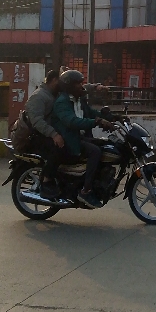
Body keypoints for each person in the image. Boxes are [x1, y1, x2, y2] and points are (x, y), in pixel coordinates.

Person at [51, 70, 112, 209]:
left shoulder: (79, 100)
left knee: (106, 146)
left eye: (81, 83)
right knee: (95, 151)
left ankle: (97, 182)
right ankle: (86, 191)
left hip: (81, 137)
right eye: (78, 83)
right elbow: (72, 122)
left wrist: (111, 117)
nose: (81, 86)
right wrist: (97, 122)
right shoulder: (62, 102)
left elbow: (91, 113)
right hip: (70, 139)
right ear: (69, 86)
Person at [23, 68, 64, 195]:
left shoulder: (53, 94)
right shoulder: (39, 96)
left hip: (47, 134)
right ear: (54, 80)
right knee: (58, 148)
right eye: (61, 81)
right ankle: (46, 181)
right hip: (37, 136)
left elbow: (75, 89)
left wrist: (95, 87)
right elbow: (37, 121)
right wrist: (54, 134)